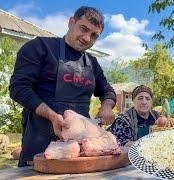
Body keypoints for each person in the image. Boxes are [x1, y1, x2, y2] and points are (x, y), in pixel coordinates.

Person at [9, 6, 116, 167]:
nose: (87, 38)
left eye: (94, 35)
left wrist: (107, 107)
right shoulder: (40, 47)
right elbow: (18, 88)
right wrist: (53, 116)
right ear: (71, 22)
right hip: (39, 147)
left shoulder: (92, 63)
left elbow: (107, 91)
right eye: (83, 28)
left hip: (79, 152)